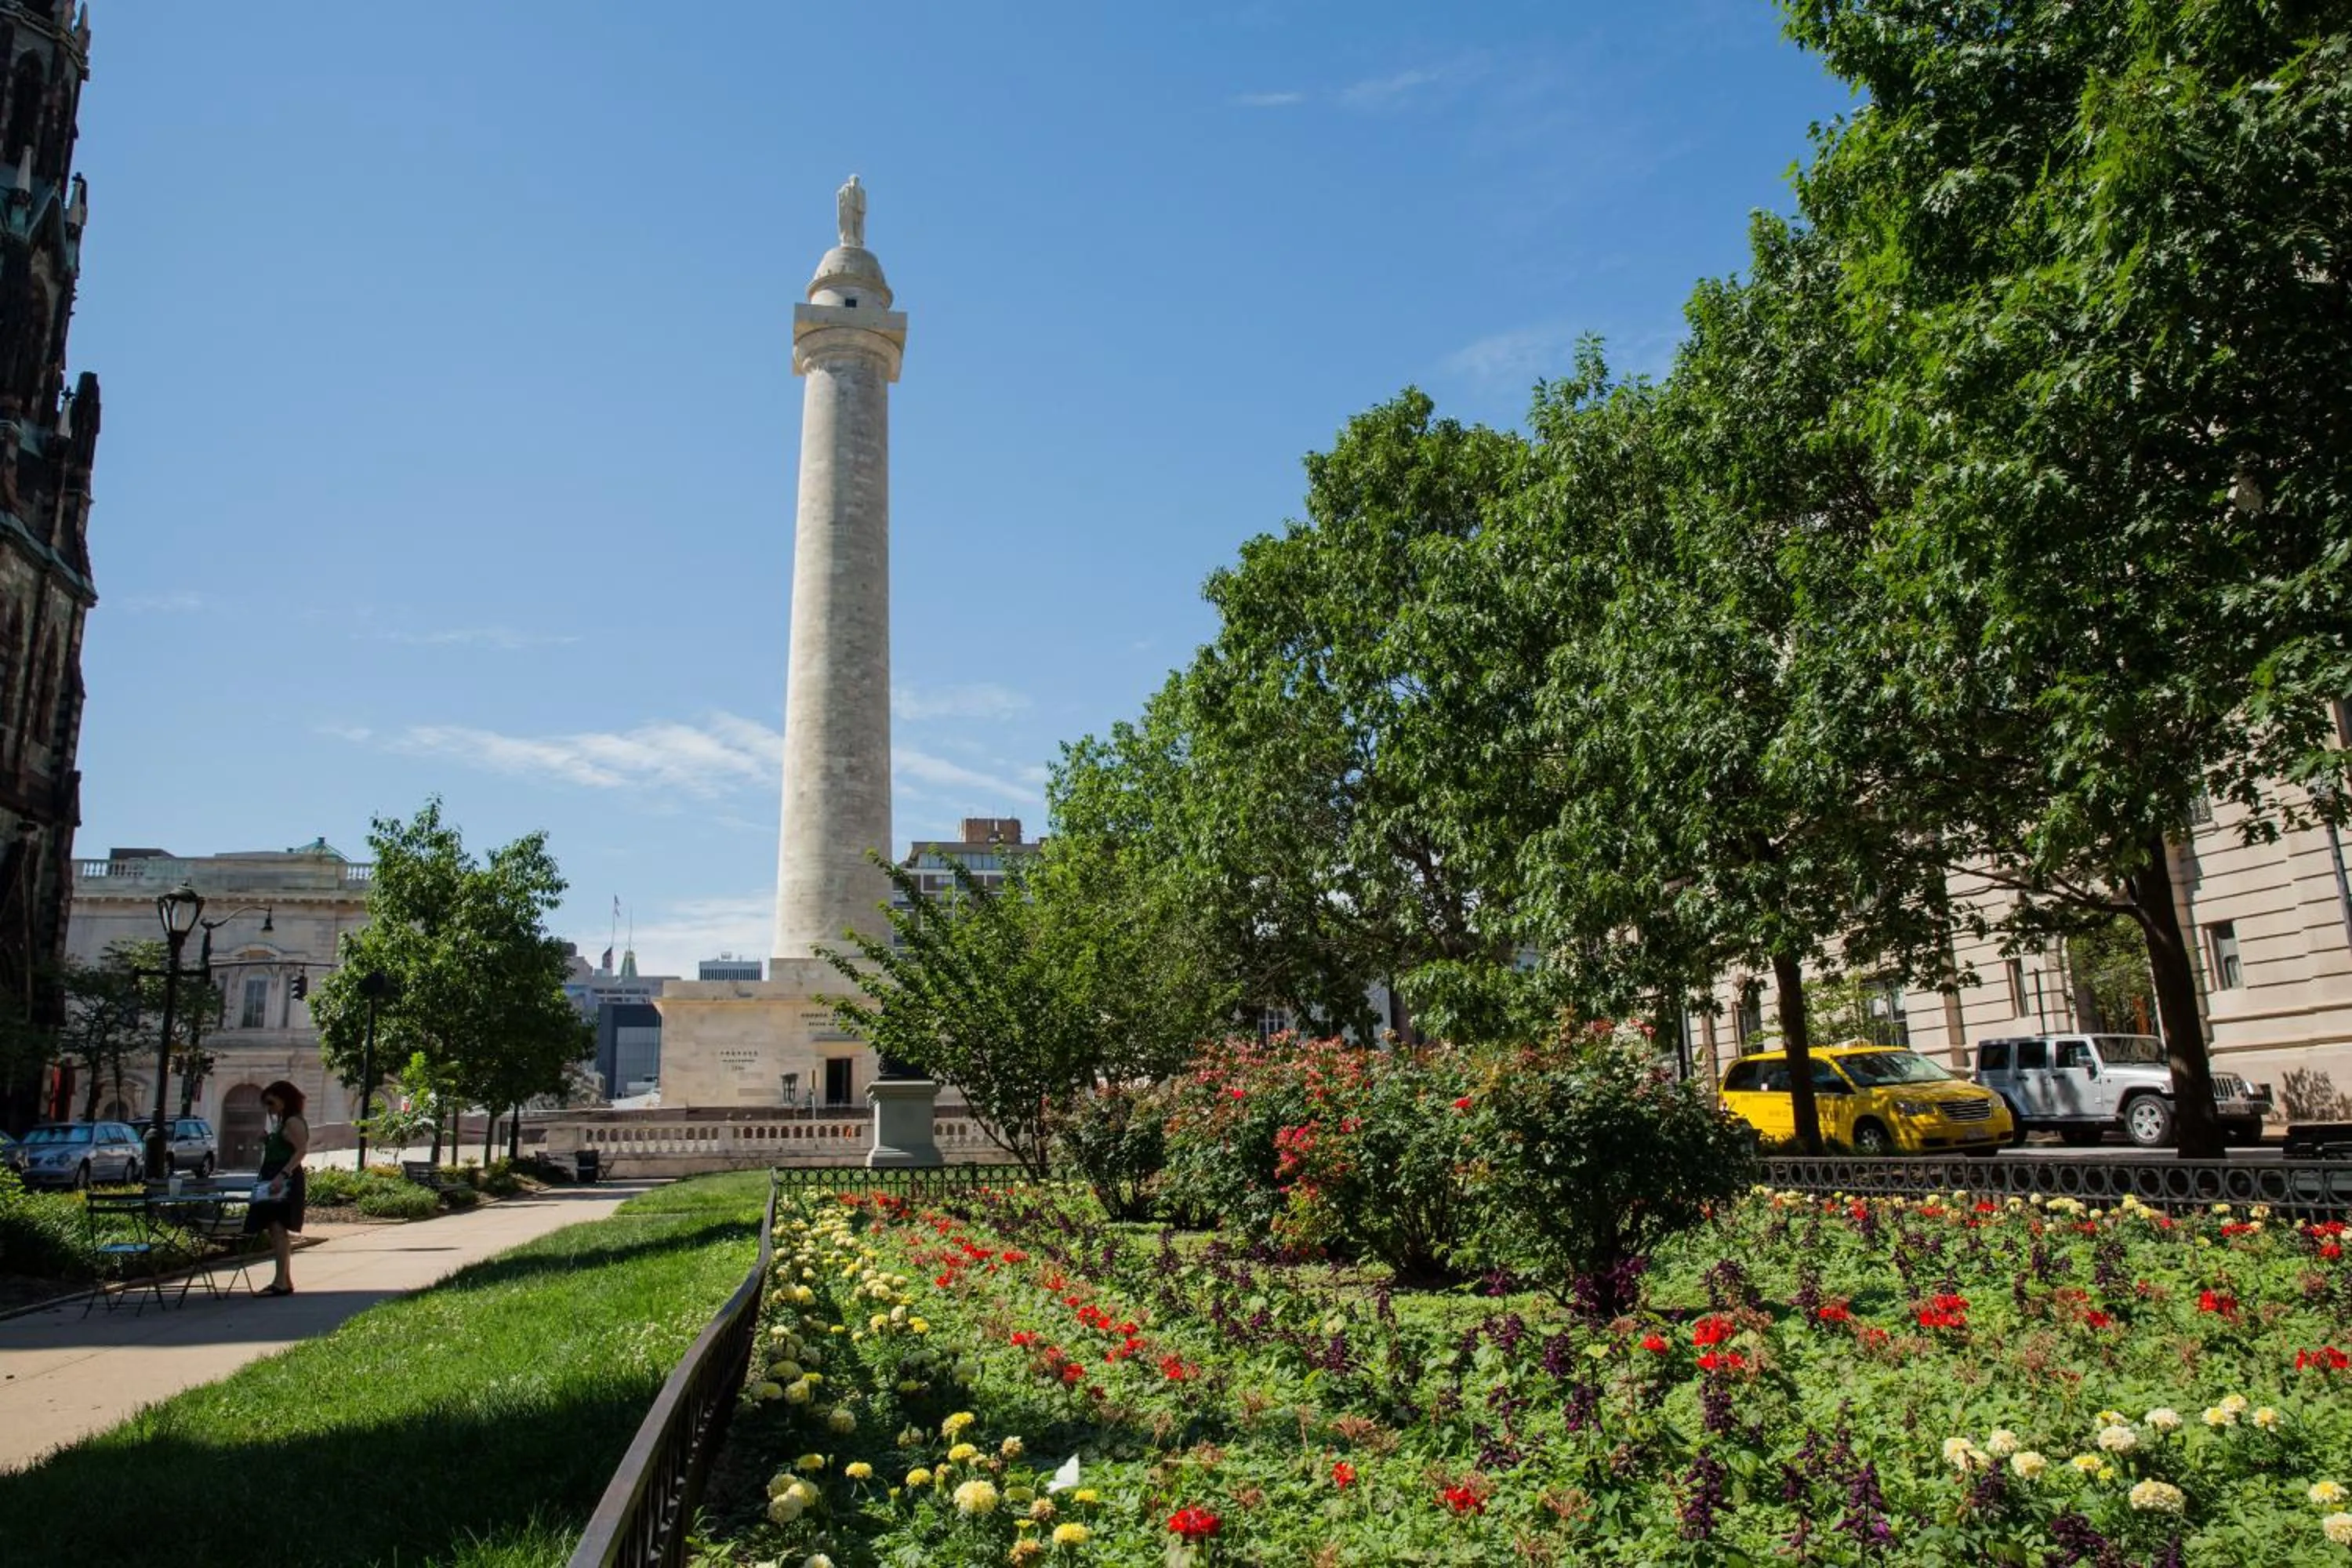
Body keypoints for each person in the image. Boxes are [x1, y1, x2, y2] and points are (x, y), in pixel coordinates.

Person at [245, 1080, 309, 1296]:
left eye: (271, 1103)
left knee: (278, 1229)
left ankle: (281, 1282)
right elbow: (285, 1147)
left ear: (284, 1099)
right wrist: (268, 1141)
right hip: (275, 1177)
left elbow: (301, 1151)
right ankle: (284, 1280)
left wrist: (283, 1175)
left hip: (283, 1180)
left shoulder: (293, 1122)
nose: (269, 1108)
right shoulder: (284, 1123)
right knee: (275, 1229)